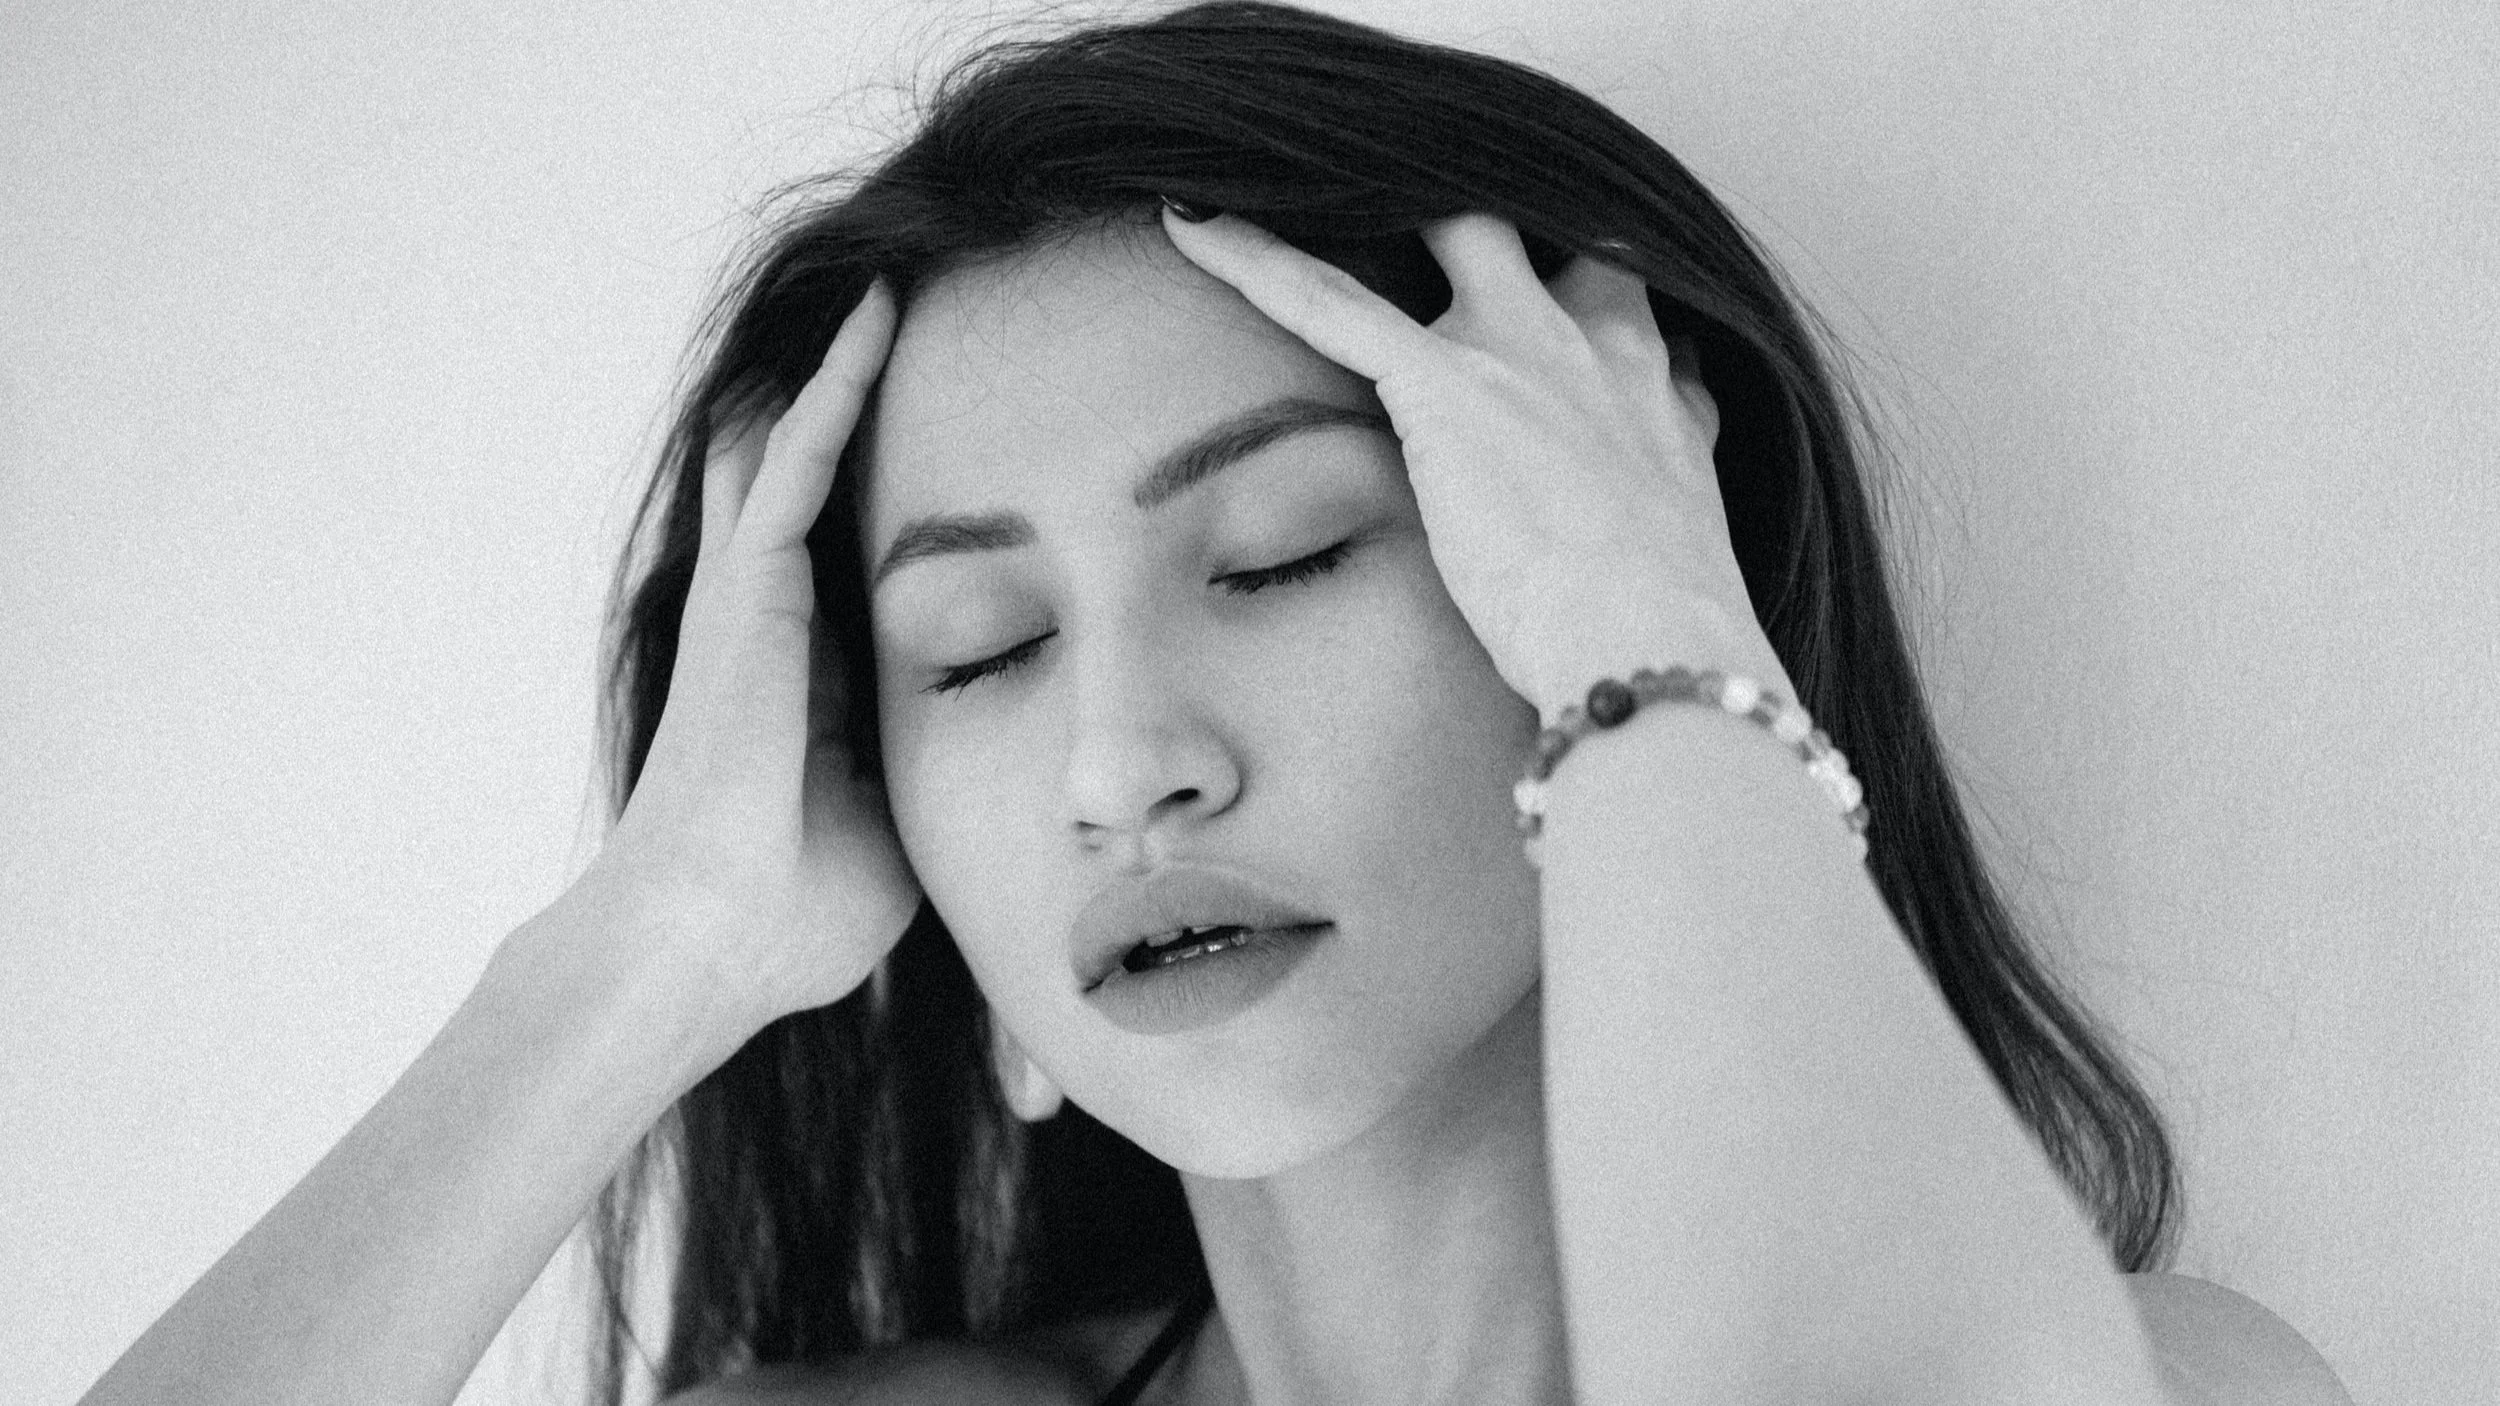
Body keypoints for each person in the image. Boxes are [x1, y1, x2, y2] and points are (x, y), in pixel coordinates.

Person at [79, 4, 2356, 1404]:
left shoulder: (2170, 1384)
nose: (1118, 763)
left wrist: (1662, 656)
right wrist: (640, 955)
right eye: (977, 653)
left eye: (1276, 555)